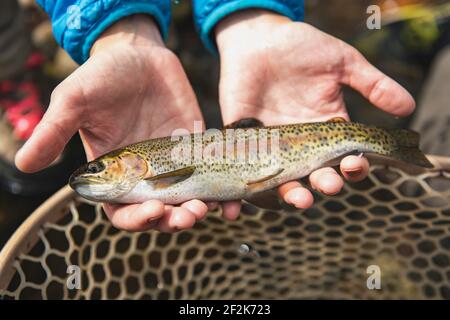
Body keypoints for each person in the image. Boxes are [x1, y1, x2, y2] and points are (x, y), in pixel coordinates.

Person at [15, 0, 416, 232]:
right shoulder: (146, 174)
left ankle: (392, 144)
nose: (93, 173)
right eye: (99, 169)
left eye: (101, 169)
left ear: (132, 164)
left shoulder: (152, 176)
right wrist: (118, 29)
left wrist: (251, 16)